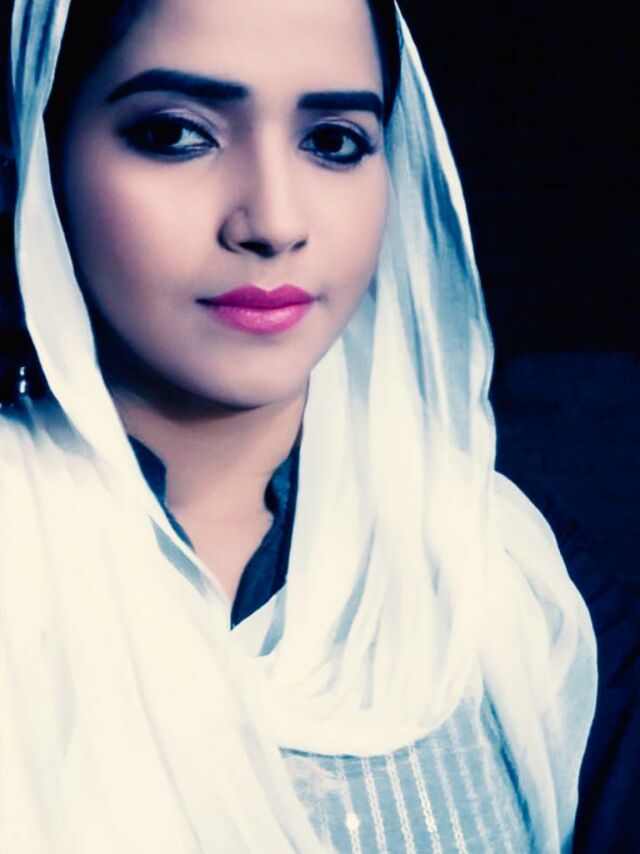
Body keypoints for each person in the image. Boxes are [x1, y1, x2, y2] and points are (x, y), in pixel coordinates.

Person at [0, 0, 601, 851]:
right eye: (175, 134)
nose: (275, 222)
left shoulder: (508, 576)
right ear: (40, 148)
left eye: (334, 142)